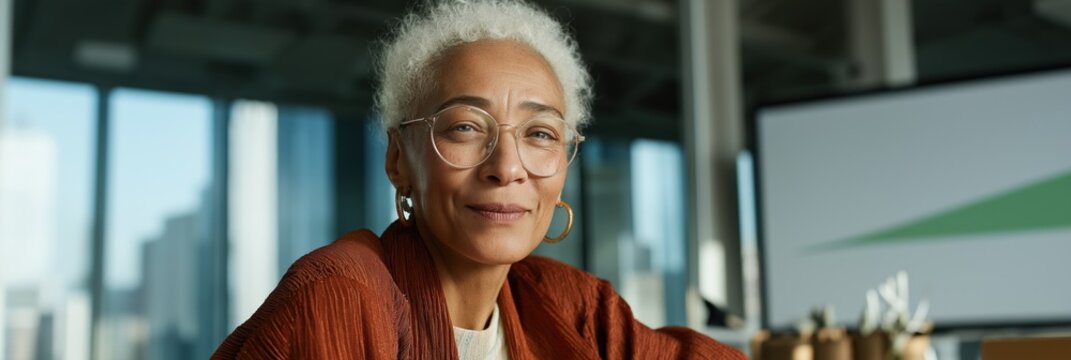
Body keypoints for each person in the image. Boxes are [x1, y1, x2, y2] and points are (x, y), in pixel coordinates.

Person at [213, 0, 745, 358]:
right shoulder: (342, 296)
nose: (507, 167)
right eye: (466, 127)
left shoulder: (564, 303)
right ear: (399, 159)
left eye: (540, 134)